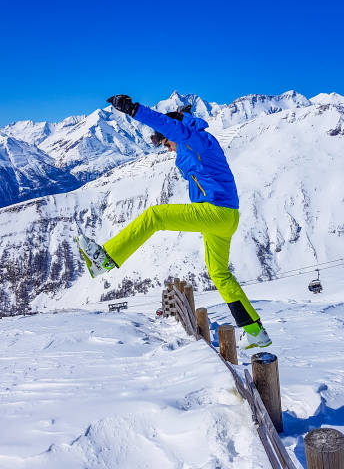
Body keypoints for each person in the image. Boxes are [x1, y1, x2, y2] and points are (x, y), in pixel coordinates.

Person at [76, 94, 272, 349]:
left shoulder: (194, 139)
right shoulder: (199, 143)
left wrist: (134, 110)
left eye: (163, 141)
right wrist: (183, 115)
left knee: (155, 216)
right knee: (220, 274)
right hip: (226, 217)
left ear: (173, 134)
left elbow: (174, 128)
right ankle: (255, 331)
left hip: (216, 212)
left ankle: (105, 259)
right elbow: (181, 133)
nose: (164, 147)